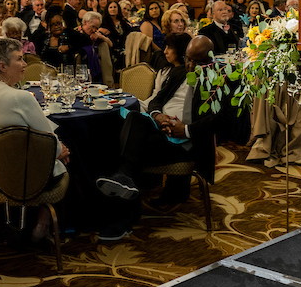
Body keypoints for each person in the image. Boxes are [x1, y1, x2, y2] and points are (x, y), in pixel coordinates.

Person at [95, 35, 223, 229]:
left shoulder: (216, 81)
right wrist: (157, 115)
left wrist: (185, 130)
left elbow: (220, 121)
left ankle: (121, 207)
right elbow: (156, 99)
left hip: (186, 142)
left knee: (124, 144)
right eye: (188, 59)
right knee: (134, 119)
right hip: (160, 128)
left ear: (209, 60)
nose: (190, 65)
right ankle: (123, 185)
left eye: (196, 62)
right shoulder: (179, 72)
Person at [0, 37, 70, 241]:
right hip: (29, 181)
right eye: (20, 59)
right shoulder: (21, 98)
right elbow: (53, 146)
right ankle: (45, 223)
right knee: (65, 157)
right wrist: (60, 152)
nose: (25, 64)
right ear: (2, 66)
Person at [141, 32, 191, 110]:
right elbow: (155, 96)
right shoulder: (164, 71)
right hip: (155, 107)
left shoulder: (189, 74)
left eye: (170, 48)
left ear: (180, 49)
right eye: (165, 47)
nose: (165, 51)